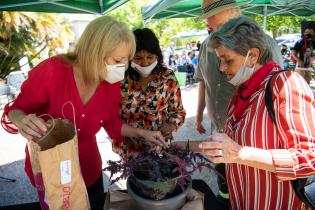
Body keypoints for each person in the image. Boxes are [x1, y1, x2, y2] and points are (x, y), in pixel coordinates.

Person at [1, 16, 165, 210]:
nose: (123, 68)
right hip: (51, 169)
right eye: (117, 60)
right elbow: (15, 110)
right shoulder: (52, 72)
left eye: (126, 61)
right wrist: (22, 120)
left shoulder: (110, 84)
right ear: (94, 52)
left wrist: (142, 133)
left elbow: (112, 122)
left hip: (89, 169)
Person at [200, 15, 315, 210]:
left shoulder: (285, 84)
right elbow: (227, 145)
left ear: (253, 55)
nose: (221, 68)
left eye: (227, 60)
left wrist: (240, 154)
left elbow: (309, 157)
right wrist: (178, 146)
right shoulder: (244, 91)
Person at [193, 0, 283, 205]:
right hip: (221, 131)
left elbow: (273, 82)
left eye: (221, 28)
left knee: (255, 188)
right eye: (210, 29)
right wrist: (199, 115)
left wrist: (247, 152)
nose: (223, 68)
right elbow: (203, 83)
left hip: (251, 141)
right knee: (228, 186)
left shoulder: (267, 47)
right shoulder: (207, 46)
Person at [113, 28, 186, 157]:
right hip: (129, 149)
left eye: (150, 57)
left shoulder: (167, 78)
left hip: (159, 147)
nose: (145, 63)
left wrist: (169, 127)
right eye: (138, 58)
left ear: (157, 55)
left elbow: (178, 112)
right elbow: (110, 114)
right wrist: (126, 135)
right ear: (129, 57)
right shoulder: (119, 78)